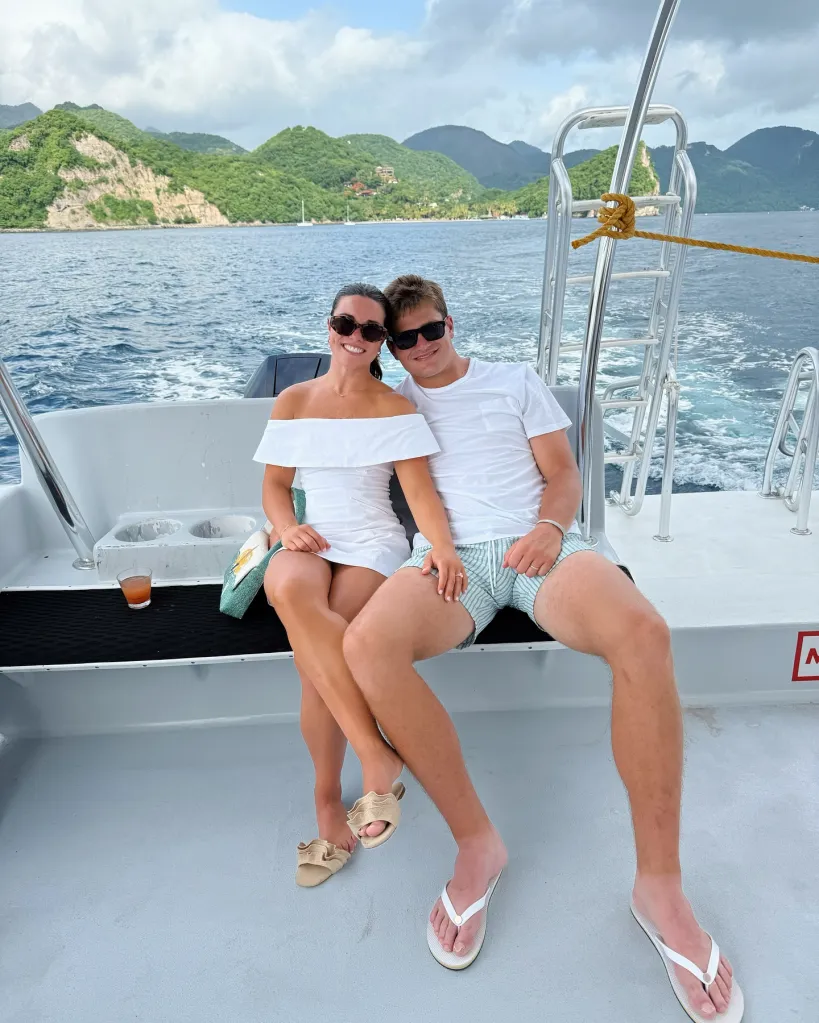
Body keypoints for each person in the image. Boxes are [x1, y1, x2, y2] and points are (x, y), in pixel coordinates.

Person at [343, 276, 741, 1017]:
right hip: (446, 559)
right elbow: (326, 417)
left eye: (430, 331)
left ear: (450, 323)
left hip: (542, 549)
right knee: (365, 645)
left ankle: (659, 887)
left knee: (644, 633)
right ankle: (476, 845)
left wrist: (550, 529)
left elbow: (562, 474)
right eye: (403, 340)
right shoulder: (390, 402)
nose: (421, 348)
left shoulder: (513, 382)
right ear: (388, 349)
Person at [255, 282, 466, 889]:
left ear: (382, 344)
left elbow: (420, 495)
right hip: (313, 534)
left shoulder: (395, 408)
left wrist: (443, 548)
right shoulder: (294, 400)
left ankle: (327, 803)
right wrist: (287, 527)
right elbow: (275, 487)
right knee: (291, 591)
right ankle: (376, 753)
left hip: (372, 541)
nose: (355, 338)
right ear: (329, 326)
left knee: (317, 658)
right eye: (346, 324)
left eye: (372, 332)